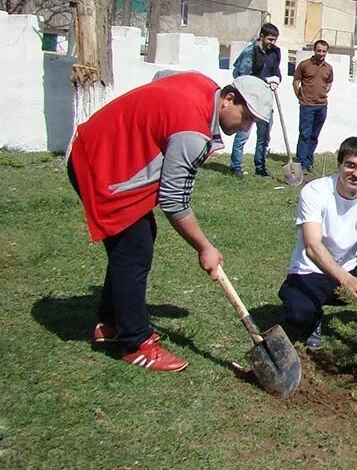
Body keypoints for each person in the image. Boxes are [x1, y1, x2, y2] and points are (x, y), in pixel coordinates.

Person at [68, 72, 273, 371]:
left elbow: (160, 78)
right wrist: (204, 247)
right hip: (103, 165)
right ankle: (135, 343)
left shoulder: (202, 85)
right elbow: (174, 200)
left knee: (138, 238)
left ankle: (111, 323)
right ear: (229, 99)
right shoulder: (192, 131)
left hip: (98, 147)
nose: (246, 128)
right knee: (133, 249)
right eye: (247, 118)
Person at [278, 137, 357, 350]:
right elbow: (312, 246)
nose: (356, 173)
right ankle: (311, 323)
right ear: (339, 164)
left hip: (350, 271)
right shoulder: (315, 191)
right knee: (299, 312)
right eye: (350, 165)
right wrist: (347, 280)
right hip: (311, 272)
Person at [230, 22, 282, 178]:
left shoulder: (274, 52)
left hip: (265, 99)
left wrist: (277, 79)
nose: (272, 43)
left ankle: (260, 166)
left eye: (275, 40)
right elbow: (242, 76)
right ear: (262, 36)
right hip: (248, 100)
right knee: (243, 134)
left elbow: (276, 72)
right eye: (270, 39)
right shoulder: (250, 52)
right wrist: (265, 79)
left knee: (264, 135)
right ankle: (236, 166)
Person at [293, 40, 334, 173]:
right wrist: (299, 96)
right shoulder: (304, 65)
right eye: (319, 50)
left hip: (322, 106)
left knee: (314, 135)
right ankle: (300, 162)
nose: (321, 53)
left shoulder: (328, 68)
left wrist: (325, 91)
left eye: (324, 51)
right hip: (307, 105)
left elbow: (329, 82)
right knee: (305, 134)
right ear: (314, 50)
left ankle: (308, 161)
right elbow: (296, 81)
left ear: (327, 52)